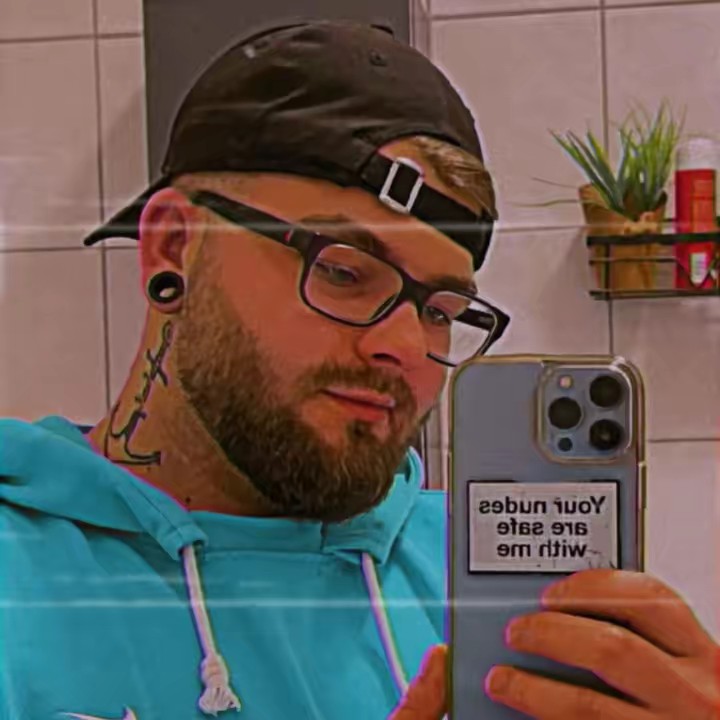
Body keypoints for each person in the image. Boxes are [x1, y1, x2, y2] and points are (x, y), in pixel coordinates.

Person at [0, 20, 716, 720]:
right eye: (343, 271)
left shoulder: (500, 580)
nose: (405, 344)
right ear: (174, 248)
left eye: (440, 309)